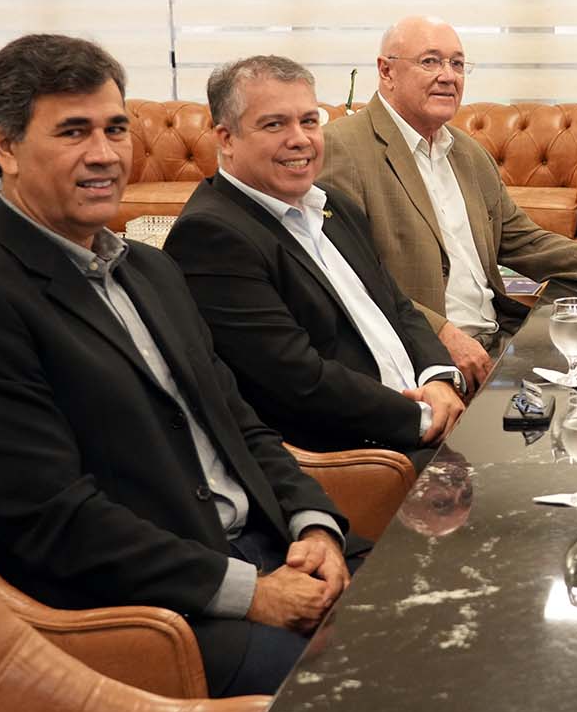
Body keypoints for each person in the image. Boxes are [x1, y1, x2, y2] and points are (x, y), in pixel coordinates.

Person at [0, 34, 354, 697]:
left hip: (263, 549)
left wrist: (312, 523)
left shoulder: (150, 268)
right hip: (152, 617)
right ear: (6, 148)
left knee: (453, 601)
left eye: (116, 128)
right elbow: (56, 524)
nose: (106, 155)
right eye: (74, 132)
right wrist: (249, 592)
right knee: (382, 685)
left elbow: (239, 423)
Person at [320, 14, 577, 391]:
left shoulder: (465, 152)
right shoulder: (341, 149)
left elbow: (520, 239)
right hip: (419, 363)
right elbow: (348, 281)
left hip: (497, 340)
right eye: (430, 61)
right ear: (386, 71)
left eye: (458, 63)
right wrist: (441, 333)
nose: (449, 75)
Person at [163, 55, 468, 461]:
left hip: (425, 419)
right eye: (275, 124)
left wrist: (439, 378)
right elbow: (296, 380)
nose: (301, 139)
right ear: (226, 138)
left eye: (309, 121)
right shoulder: (211, 236)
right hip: (360, 455)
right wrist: (422, 416)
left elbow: (398, 307)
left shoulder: (333, 206)